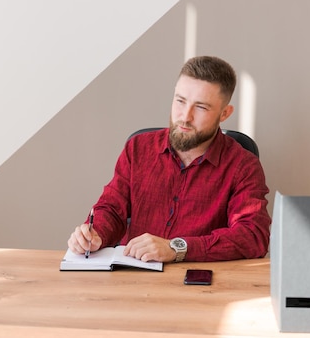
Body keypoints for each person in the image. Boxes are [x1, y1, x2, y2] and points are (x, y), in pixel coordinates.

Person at [67, 55, 271, 263]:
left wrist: (177, 247)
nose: (185, 116)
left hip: (199, 284)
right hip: (134, 276)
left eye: (201, 107)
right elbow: (111, 208)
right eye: (180, 101)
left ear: (224, 113)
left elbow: (253, 236)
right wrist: (95, 234)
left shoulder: (243, 165)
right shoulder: (137, 149)